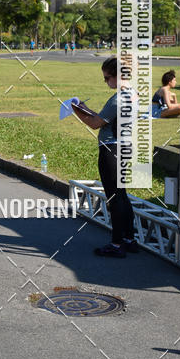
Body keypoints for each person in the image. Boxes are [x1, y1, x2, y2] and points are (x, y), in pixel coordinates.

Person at [71, 56, 138, 258]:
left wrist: (75, 111)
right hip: (124, 147)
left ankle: (117, 244)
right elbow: (103, 118)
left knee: (114, 197)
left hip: (111, 150)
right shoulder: (132, 94)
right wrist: (85, 108)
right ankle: (129, 238)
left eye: (107, 78)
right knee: (122, 195)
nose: (106, 82)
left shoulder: (118, 98)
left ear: (118, 75)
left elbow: (94, 124)